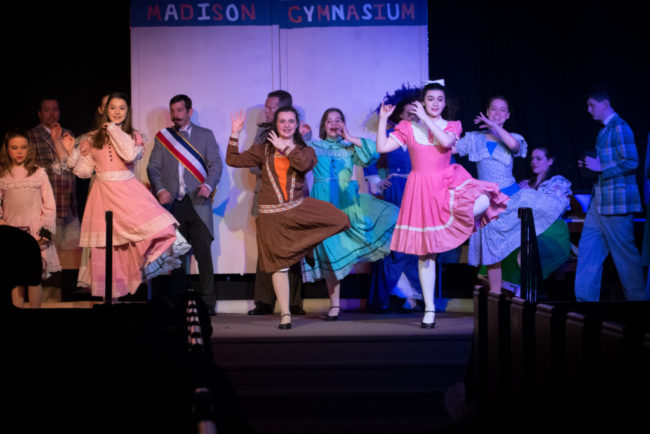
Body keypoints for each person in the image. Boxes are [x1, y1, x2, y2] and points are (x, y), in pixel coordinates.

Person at [376, 82, 508, 328]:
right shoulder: (407, 127)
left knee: (482, 199)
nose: (435, 103)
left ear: (444, 103)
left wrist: (425, 118)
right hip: (420, 190)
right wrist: (384, 119)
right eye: (431, 99)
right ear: (423, 101)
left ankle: (453, 224)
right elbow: (382, 147)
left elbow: (446, 143)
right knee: (426, 255)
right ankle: (429, 309)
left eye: (439, 99)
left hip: (447, 183)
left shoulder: (451, 126)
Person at [227, 106, 350, 329]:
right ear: (276, 124)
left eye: (290, 121)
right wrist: (235, 133)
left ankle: (307, 246)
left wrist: (287, 148)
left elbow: (303, 165)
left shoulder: (306, 150)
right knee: (279, 266)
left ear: (296, 124)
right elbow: (232, 160)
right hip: (271, 215)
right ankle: (285, 315)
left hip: (296, 208)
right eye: (282, 121)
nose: (286, 125)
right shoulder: (264, 149)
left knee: (340, 218)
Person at [65, 92, 189, 299]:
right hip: (103, 194)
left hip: (127, 192)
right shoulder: (93, 137)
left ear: (127, 111)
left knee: (161, 228)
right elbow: (83, 172)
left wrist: (112, 128)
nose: (117, 112)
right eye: (113, 108)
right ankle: (110, 299)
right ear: (105, 110)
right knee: (107, 248)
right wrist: (73, 152)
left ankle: (134, 283)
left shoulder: (133, 136)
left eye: (122, 108)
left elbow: (129, 154)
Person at [301, 108, 398, 320]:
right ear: (323, 125)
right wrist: (303, 139)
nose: (334, 124)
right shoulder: (314, 146)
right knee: (330, 250)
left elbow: (373, 152)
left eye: (338, 120)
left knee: (389, 217)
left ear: (343, 124)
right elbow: (298, 159)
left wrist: (350, 136)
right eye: (329, 121)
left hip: (346, 204)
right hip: (323, 203)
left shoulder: (349, 147)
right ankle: (334, 304)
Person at [147, 94, 223, 314]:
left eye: (180, 110)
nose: (175, 115)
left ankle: (208, 303)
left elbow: (215, 166)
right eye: (173, 111)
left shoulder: (205, 135)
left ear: (189, 112)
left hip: (198, 202)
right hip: (173, 204)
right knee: (176, 257)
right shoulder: (164, 137)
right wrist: (160, 189)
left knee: (203, 255)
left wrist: (209, 185)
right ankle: (179, 302)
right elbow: (153, 168)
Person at [574, 87, 646, 301]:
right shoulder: (604, 130)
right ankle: (585, 310)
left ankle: (639, 307)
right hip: (599, 203)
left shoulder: (620, 127)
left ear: (605, 103)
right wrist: (590, 167)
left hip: (616, 204)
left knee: (626, 258)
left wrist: (601, 166)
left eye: (592, 105)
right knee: (588, 254)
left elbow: (632, 161)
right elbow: (607, 165)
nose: (589, 110)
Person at [455, 96, 528, 293]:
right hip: (487, 201)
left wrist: (495, 128)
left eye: (502, 110)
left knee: (520, 246)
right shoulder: (473, 139)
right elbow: (449, 148)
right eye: (493, 109)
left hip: (511, 197)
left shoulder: (515, 137)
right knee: (492, 248)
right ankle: (496, 296)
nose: (497, 113)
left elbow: (515, 147)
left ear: (508, 115)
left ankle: (523, 293)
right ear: (487, 111)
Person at [247, 90, 309, 316]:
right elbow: (253, 165)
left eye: (270, 107)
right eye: (266, 107)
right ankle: (264, 301)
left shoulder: (300, 134)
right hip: (265, 197)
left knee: (293, 246)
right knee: (266, 248)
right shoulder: (263, 133)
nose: (266, 111)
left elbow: (302, 164)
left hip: (293, 198)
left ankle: (293, 303)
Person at [478, 147, 572, 292]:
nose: (534, 162)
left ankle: (524, 290)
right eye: (532, 158)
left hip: (551, 230)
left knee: (525, 247)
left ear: (550, 161)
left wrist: (529, 192)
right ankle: (505, 286)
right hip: (528, 227)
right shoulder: (527, 183)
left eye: (539, 159)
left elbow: (553, 207)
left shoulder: (557, 182)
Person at [0, 129, 61, 308]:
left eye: (23, 147)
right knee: (15, 279)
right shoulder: (2, 175)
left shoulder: (38, 173)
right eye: (14, 147)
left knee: (34, 279)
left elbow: (49, 204)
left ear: (29, 149)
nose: (19, 151)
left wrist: (46, 231)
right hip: (11, 233)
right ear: (7, 150)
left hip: (34, 232)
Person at [27, 97, 80, 285]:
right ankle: (50, 290)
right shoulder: (31, 136)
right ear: (40, 114)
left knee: (73, 248)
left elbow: (72, 165)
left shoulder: (67, 134)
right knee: (51, 251)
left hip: (69, 200)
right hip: (48, 202)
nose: (51, 114)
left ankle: (68, 289)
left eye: (55, 109)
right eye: (47, 110)